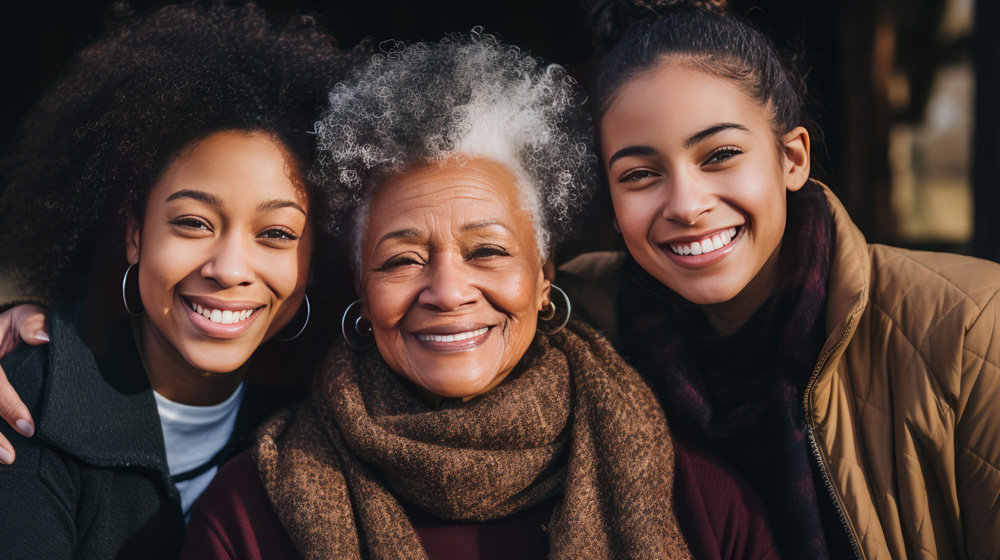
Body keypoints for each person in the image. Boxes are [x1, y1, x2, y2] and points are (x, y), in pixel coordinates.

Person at [179, 32, 780, 560]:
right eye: (402, 260)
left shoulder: (706, 508)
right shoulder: (248, 520)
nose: (447, 291)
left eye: (487, 251)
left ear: (544, 276)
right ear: (362, 294)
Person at [557, 1, 1000, 558]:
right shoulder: (576, 323)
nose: (687, 206)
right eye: (641, 174)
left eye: (720, 154)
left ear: (791, 158)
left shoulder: (973, 329)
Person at [0, 3, 348, 557]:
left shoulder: (324, 419)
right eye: (192, 223)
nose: (230, 269)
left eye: (277, 233)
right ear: (134, 235)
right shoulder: (26, 400)